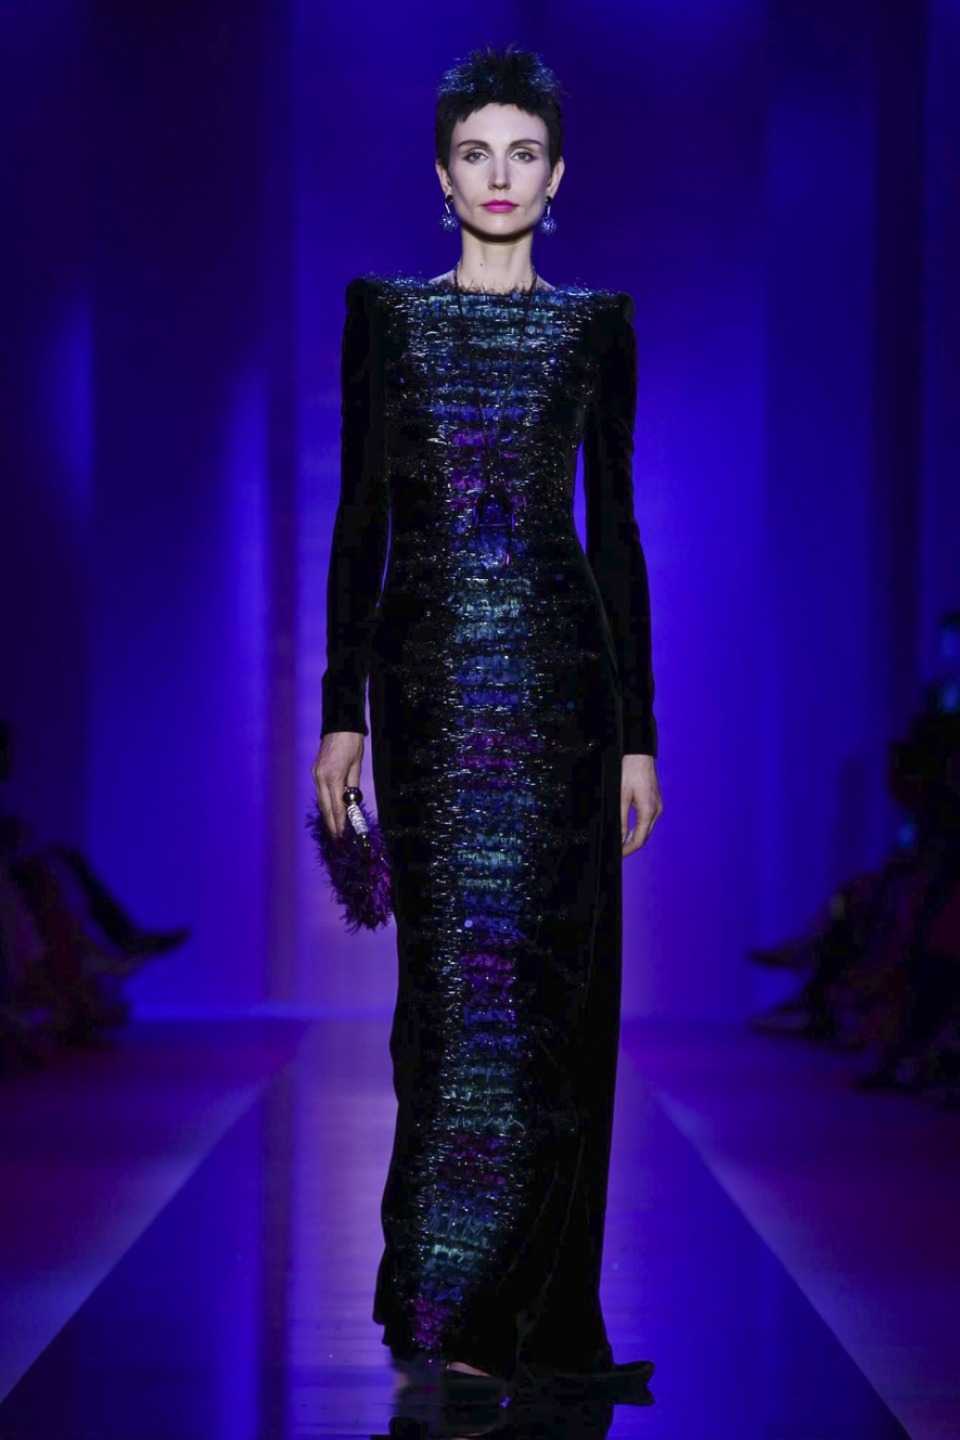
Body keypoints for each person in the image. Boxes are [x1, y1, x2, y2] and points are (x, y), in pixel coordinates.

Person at [311, 44, 663, 1404]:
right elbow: (361, 518)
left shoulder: (598, 327)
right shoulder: (386, 319)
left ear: (558, 177)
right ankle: (446, 1294)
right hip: (426, 692)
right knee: (452, 995)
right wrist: (339, 712)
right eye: (477, 153)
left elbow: (614, 535)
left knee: (555, 994)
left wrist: (638, 733)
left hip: (569, 693)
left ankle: (528, 1308)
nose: (500, 177)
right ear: (442, 173)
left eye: (524, 154)